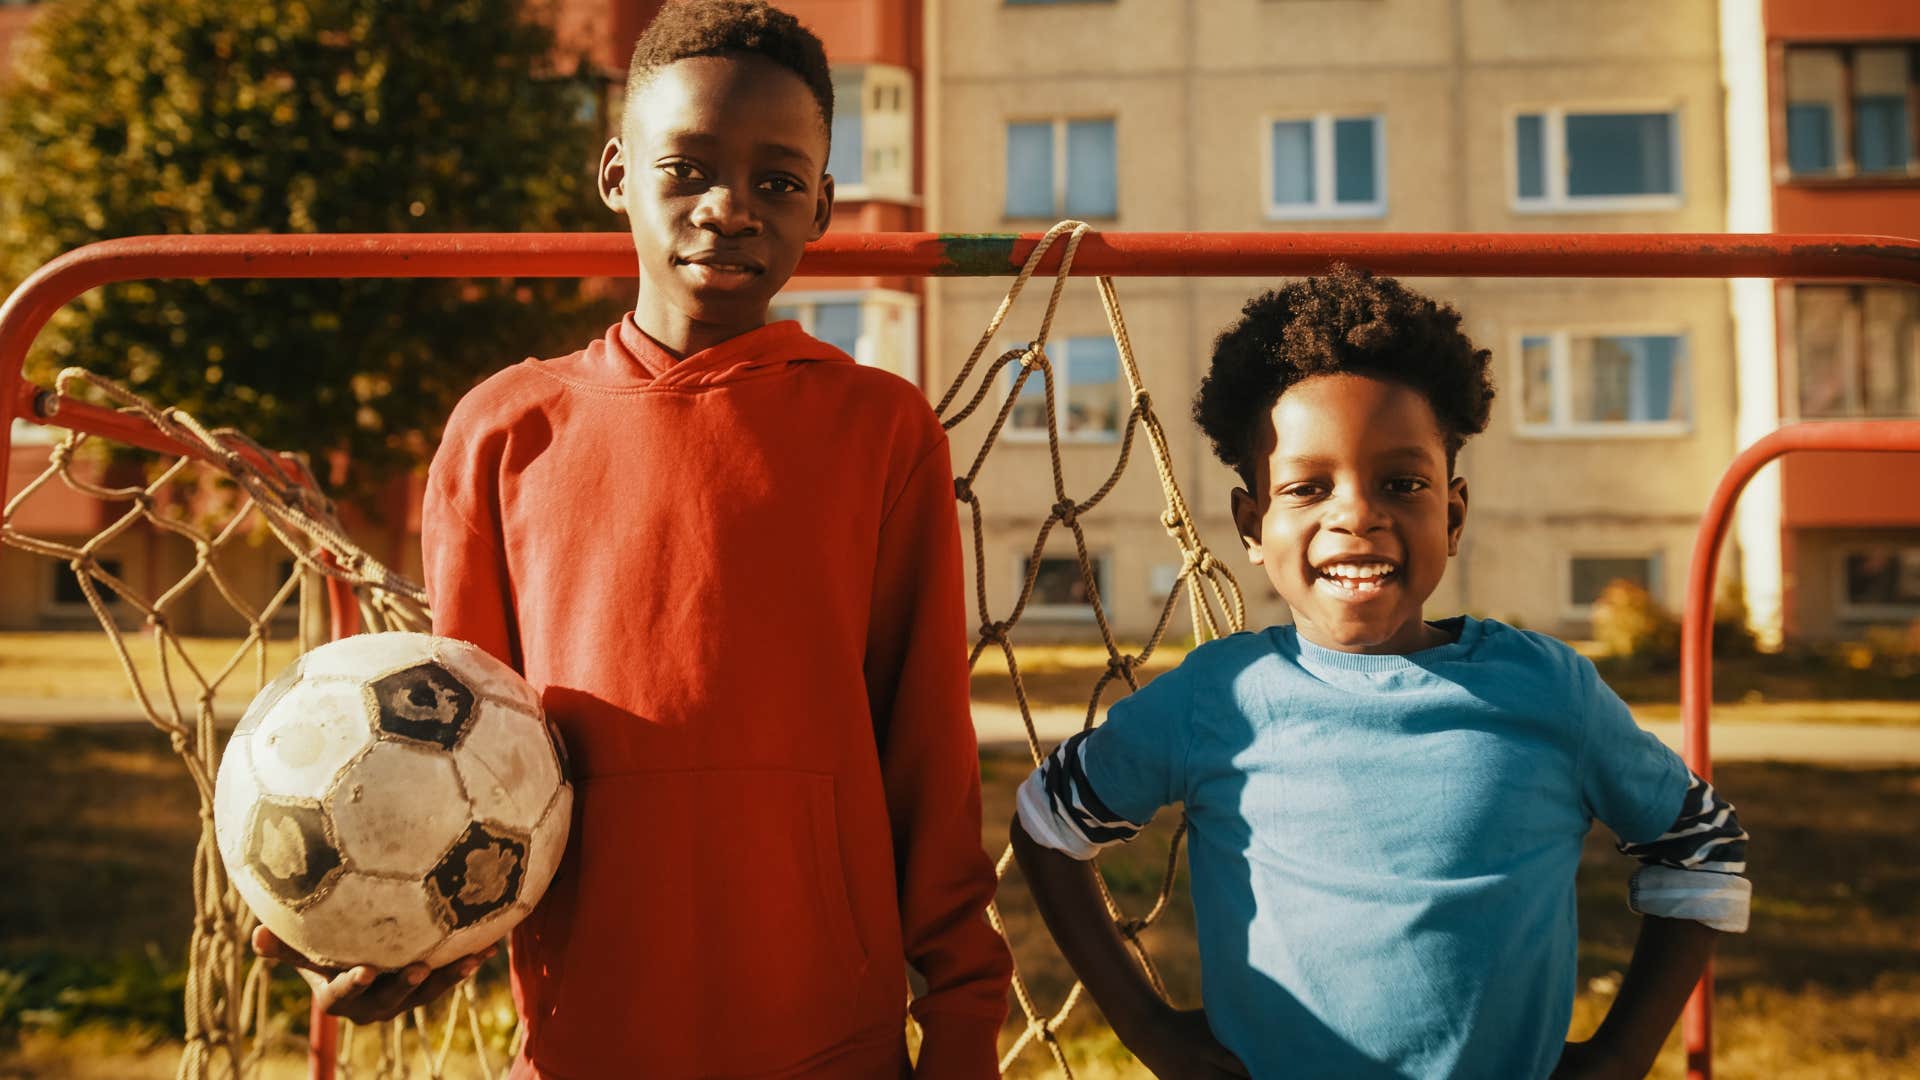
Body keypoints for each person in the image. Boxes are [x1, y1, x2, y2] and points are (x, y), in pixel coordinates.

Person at [254, 2, 1012, 1075]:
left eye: (777, 183)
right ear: (615, 173)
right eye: (688, 169)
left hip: (830, 1042)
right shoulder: (503, 430)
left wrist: (966, 1023)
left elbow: (927, 751)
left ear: (825, 207)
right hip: (583, 1040)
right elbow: (465, 769)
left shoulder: (883, 431)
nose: (728, 209)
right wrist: (407, 943)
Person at [1010, 268, 1750, 1080]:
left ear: (1454, 514)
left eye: (1402, 483)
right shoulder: (1218, 695)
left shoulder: (1547, 691)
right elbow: (1049, 823)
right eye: (1308, 486)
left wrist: (1621, 1054)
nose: (1357, 513)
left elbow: (1701, 848)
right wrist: (1147, 1029)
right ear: (1252, 525)